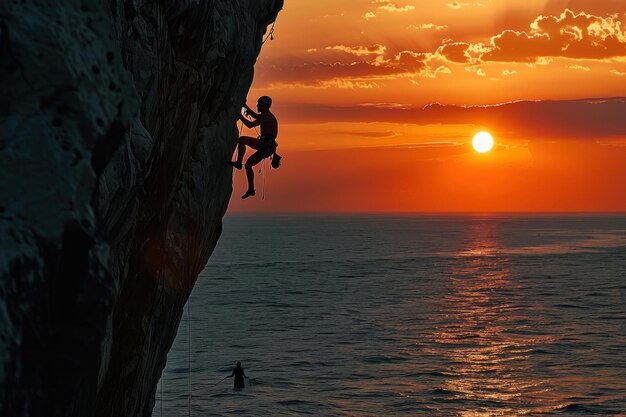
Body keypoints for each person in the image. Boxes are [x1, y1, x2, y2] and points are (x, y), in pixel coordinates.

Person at [227, 96, 279, 199]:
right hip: (268, 147)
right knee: (248, 165)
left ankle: (238, 162)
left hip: (265, 144)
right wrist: (244, 106)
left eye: (258, 103)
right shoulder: (267, 116)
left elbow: (250, 125)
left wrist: (239, 115)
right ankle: (251, 189)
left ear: (263, 105)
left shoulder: (266, 116)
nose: (257, 105)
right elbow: (255, 115)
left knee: (242, 140)